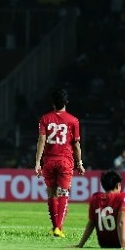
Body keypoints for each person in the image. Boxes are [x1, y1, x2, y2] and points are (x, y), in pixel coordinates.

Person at [34, 88, 85, 238]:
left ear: (53, 103)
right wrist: (80, 163)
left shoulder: (44, 119)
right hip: (65, 161)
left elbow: (41, 140)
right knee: (64, 193)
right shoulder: (73, 120)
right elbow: (76, 145)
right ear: (66, 102)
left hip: (49, 161)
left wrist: (37, 162)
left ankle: (55, 227)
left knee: (51, 193)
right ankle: (58, 227)